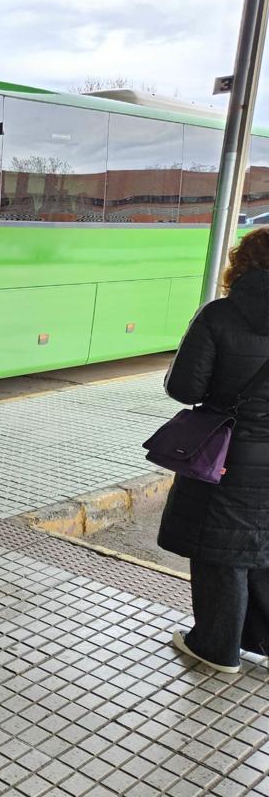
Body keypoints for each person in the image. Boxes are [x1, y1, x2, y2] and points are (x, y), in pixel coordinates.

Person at [159, 226, 269, 674]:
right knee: (263, 550)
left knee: (219, 549)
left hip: (229, 456)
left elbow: (184, 388)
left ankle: (216, 647)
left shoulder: (219, 316)